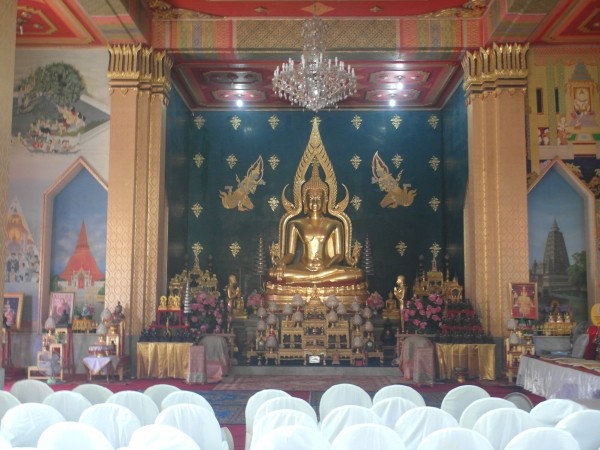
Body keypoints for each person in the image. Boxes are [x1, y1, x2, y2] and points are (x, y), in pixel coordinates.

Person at [267, 162, 365, 286]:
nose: (314, 202)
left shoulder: (335, 224)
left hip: (327, 269)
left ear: (325, 200)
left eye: (318, 198)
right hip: (303, 268)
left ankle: (310, 281)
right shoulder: (295, 224)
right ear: (304, 200)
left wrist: (326, 265)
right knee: (272, 273)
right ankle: (316, 280)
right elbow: (291, 254)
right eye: (311, 198)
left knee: (357, 273)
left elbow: (339, 255)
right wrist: (281, 263)